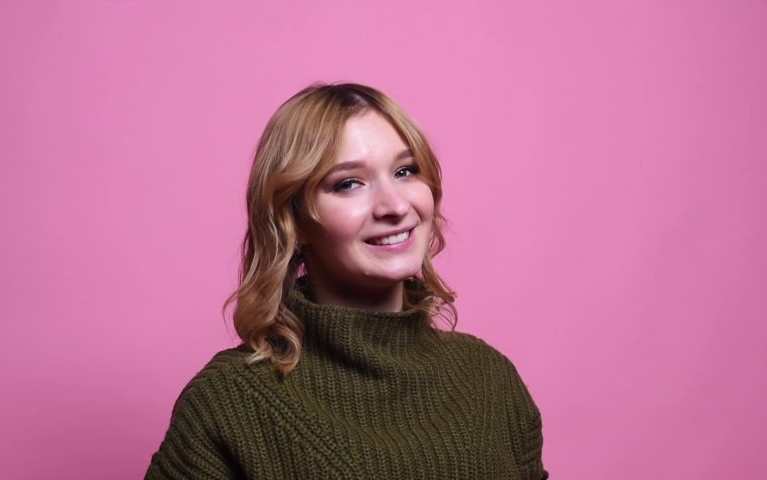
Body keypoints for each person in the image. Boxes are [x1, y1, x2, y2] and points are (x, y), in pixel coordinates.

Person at [145, 83, 548, 479]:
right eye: (349, 183)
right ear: (294, 221)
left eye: (405, 171)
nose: (395, 206)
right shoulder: (230, 401)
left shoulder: (489, 378)